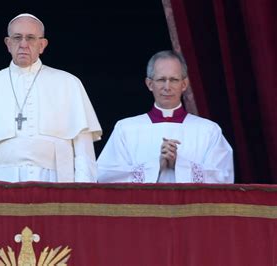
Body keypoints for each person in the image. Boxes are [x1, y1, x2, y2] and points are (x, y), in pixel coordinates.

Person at [0, 13, 102, 183]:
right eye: (17, 38)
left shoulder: (69, 84)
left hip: (58, 185)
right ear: (8, 44)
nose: (23, 44)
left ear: (42, 45)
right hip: (1, 187)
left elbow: (84, 152)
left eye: (30, 38)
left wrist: (82, 194)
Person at [97, 50, 234, 183]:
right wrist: (156, 165)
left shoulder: (208, 130)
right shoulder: (126, 129)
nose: (167, 87)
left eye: (174, 80)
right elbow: (105, 176)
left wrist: (179, 164)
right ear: (150, 84)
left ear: (184, 84)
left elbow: (223, 177)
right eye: (161, 80)